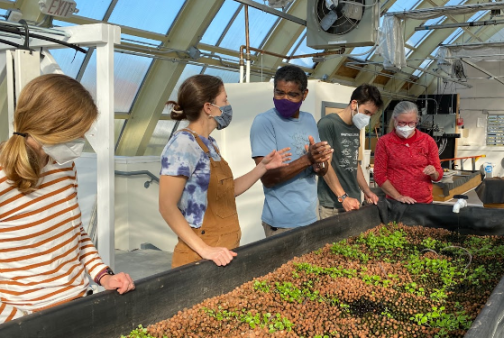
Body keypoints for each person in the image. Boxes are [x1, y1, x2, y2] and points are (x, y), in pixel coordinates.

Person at [0, 74, 134, 324]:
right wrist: (16, 321)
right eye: (77, 132)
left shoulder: (64, 167)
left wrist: (104, 275)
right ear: (51, 128)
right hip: (26, 321)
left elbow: (76, 233)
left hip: (78, 305)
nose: (81, 140)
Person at [159, 75, 290, 268]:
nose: (228, 105)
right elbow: (166, 206)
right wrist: (204, 249)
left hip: (223, 252)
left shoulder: (210, 144)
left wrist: (262, 167)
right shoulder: (182, 145)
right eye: (225, 100)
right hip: (198, 258)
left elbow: (228, 190)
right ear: (208, 108)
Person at [250, 65, 332, 237]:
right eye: (279, 93)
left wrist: (320, 164)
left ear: (304, 94)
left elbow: (320, 169)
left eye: (292, 94)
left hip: (310, 217)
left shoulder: (308, 119)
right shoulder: (264, 122)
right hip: (281, 224)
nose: (284, 99)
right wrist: (308, 160)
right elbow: (267, 178)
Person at [317, 84, 384, 219]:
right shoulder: (327, 124)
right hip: (333, 205)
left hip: (353, 201)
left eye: (371, 114)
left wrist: (366, 191)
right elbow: (324, 166)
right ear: (354, 104)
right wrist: (343, 197)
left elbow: (354, 163)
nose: (368, 117)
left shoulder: (355, 127)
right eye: (366, 112)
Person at [373, 101, 443, 204]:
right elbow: (379, 176)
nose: (406, 126)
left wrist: (434, 173)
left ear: (417, 121)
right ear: (395, 120)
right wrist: (398, 197)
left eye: (411, 123)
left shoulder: (427, 141)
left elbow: (438, 175)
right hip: (396, 203)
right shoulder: (384, 142)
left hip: (424, 203)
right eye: (402, 122)